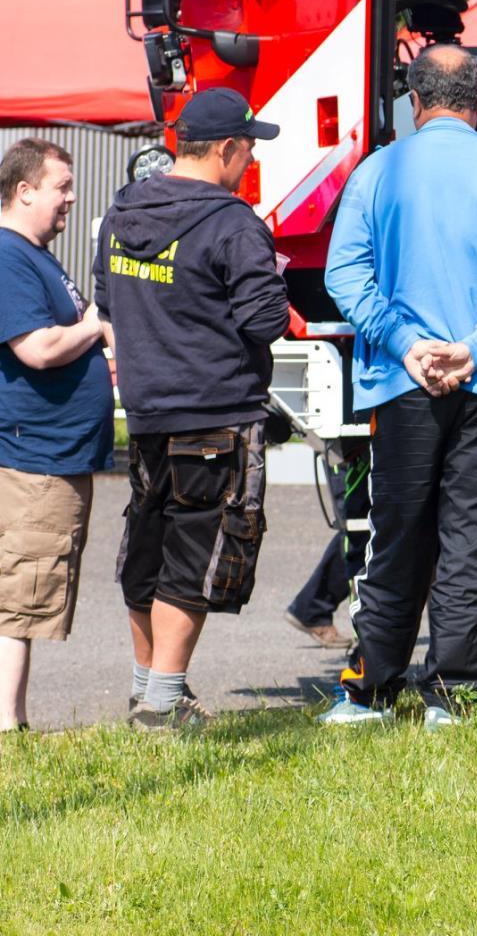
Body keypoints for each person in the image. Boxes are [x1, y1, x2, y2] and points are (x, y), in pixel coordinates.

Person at [320, 45, 477, 729]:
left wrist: (405, 345)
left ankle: (369, 692)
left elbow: (346, 278)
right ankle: (452, 696)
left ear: (415, 103)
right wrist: (472, 348)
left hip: (400, 387)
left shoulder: (376, 173)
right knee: (472, 541)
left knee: (396, 536)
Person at [94, 87, 290, 729]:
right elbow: (264, 321)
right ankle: (162, 702)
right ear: (229, 148)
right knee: (197, 553)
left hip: (149, 412)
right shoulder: (235, 223)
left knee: (146, 547)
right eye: (249, 148)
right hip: (217, 413)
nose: (248, 161)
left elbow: (106, 298)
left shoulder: (122, 211)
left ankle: (146, 689)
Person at [0, 139, 113, 732]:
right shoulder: (8, 256)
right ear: (24, 191)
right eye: (61, 187)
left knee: (29, 590)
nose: (70, 198)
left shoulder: (34, 253)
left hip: (53, 456)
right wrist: (95, 323)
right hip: (33, 460)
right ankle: (8, 727)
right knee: (22, 596)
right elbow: (38, 348)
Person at [284, 448, 370, 648]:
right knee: (358, 530)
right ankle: (314, 608)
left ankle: (312, 608)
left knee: (362, 530)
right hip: (347, 446)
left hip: (359, 444)